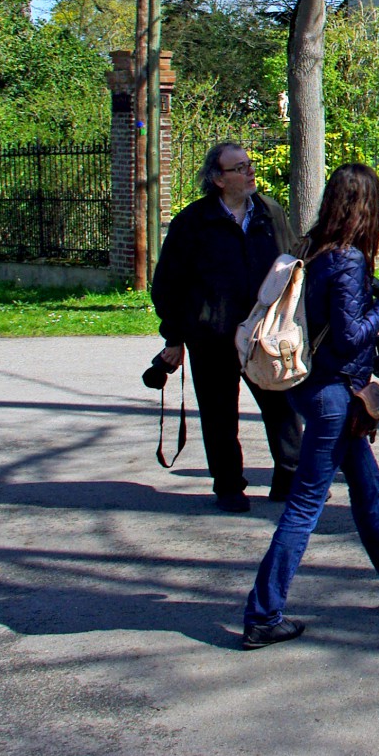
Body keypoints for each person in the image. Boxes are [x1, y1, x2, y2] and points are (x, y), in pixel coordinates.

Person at [242, 163, 379, 650]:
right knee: (305, 506)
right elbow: (351, 332)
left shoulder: (313, 246)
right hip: (333, 394)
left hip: (314, 385)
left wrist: (376, 295)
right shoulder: (348, 259)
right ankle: (262, 613)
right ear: (365, 207)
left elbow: (334, 312)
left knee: (368, 489)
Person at [150, 140, 302, 512]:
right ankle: (229, 485)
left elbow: (291, 265)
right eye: (239, 168)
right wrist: (175, 336)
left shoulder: (270, 213)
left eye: (249, 165)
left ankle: (289, 478)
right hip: (212, 337)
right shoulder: (193, 222)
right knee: (219, 415)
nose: (249, 171)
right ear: (218, 178)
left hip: (262, 334)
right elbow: (168, 284)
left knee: (280, 405)